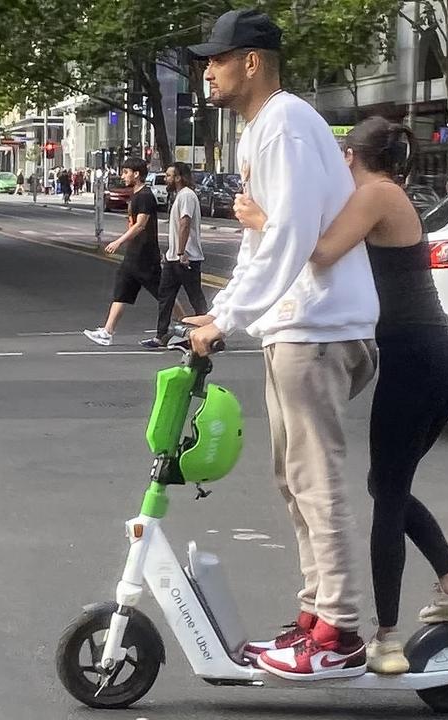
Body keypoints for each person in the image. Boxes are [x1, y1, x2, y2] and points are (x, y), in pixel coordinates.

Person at [234, 116, 448, 675]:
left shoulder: (377, 194)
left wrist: (263, 219)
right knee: (385, 486)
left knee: (388, 494)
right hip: (423, 355)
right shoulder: (384, 193)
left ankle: (387, 638)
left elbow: (320, 250)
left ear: (350, 158)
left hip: (420, 356)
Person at [185, 9, 380, 681]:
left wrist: (229, 321)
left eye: (216, 58)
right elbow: (257, 243)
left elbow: (292, 235)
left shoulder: (287, 123)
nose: (205, 69)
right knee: (293, 480)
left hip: (318, 329)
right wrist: (219, 313)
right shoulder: (262, 132)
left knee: (317, 481)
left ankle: (340, 631)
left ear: (252, 62)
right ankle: (315, 617)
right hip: (297, 326)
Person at [83, 157, 162, 346]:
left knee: (163, 294)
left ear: (137, 174)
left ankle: (185, 325)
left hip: (145, 255)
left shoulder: (144, 196)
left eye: (126, 172)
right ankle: (107, 332)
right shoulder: (136, 195)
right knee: (122, 291)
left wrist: (118, 241)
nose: (123, 176)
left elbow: (140, 225)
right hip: (134, 254)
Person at [140, 161, 208, 350]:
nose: (166, 178)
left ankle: (210, 332)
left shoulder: (186, 196)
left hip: (186, 258)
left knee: (196, 298)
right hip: (174, 258)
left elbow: (185, 223)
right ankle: (161, 336)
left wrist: (180, 251)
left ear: (179, 178)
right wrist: (171, 253)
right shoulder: (180, 196)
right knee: (165, 296)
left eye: (169, 175)